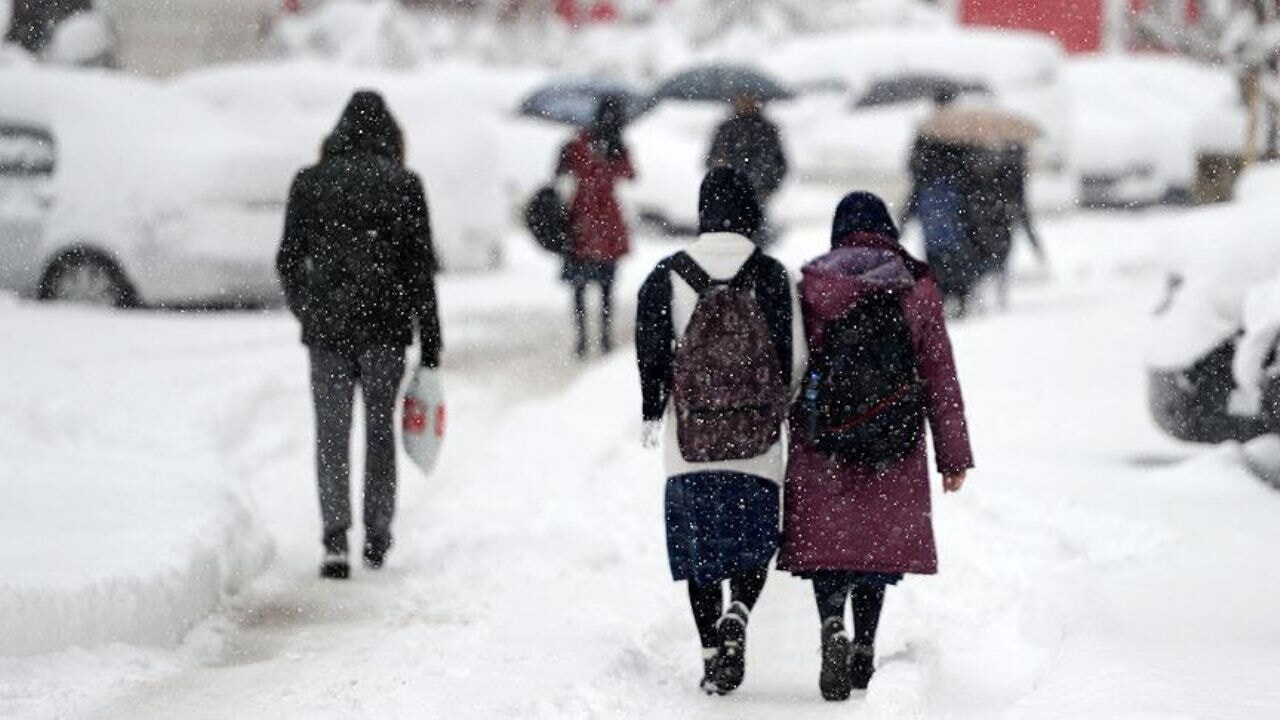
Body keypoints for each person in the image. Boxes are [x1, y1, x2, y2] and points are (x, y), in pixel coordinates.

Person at [778, 192, 973, 699]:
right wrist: (953, 456)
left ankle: (831, 625)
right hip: (895, 437)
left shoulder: (813, 285)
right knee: (873, 546)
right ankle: (864, 642)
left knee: (831, 546)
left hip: (825, 440)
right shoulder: (914, 285)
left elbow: (792, 368)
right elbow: (940, 376)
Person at [635, 167, 804, 695]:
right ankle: (739, 611)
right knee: (753, 545)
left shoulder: (668, 274)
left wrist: (653, 406)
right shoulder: (772, 275)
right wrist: (778, 408)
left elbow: (650, 353)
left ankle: (712, 652)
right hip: (756, 443)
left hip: (691, 443)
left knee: (701, 552)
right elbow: (794, 358)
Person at [277, 90, 442, 580]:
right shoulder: (404, 184)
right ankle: (376, 534)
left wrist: (307, 307)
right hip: (385, 328)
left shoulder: (310, 182)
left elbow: (287, 258)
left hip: (327, 330)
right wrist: (430, 338)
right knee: (379, 431)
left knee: (331, 432)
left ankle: (334, 539)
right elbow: (420, 270)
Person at [557, 93, 636, 358]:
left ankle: (583, 338)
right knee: (605, 286)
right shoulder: (614, 145)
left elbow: (561, 172)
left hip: (581, 219)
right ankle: (603, 337)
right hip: (605, 220)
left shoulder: (580, 142)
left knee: (580, 287)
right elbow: (630, 174)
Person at [706, 93, 788, 247]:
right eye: (742, 98)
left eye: (750, 98)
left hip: (758, 195)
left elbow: (780, 164)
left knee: (758, 240)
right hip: (729, 196)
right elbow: (710, 161)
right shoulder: (726, 129)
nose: (746, 102)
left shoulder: (767, 130)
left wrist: (769, 188)